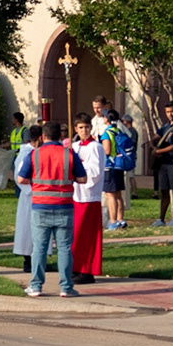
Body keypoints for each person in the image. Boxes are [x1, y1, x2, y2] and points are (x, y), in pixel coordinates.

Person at [26, 123, 81, 297]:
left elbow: (20, 177)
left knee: (39, 248)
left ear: (43, 136)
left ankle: (36, 286)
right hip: (64, 206)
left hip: (40, 206)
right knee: (64, 248)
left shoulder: (34, 154)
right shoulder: (69, 154)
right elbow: (83, 177)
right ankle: (66, 287)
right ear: (60, 136)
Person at [69, 119, 105, 283]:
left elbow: (95, 172)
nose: (84, 130)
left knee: (88, 235)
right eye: (81, 127)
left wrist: (79, 170)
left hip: (89, 196)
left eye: (87, 127)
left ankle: (87, 270)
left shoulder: (96, 147)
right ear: (75, 128)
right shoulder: (74, 147)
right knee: (75, 234)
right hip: (75, 194)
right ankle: (75, 266)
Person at [11, 123, 42, 271]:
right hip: (30, 194)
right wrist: (32, 189)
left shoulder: (40, 151)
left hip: (41, 194)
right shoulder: (25, 153)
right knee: (28, 227)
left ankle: (39, 257)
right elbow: (19, 175)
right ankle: (28, 259)